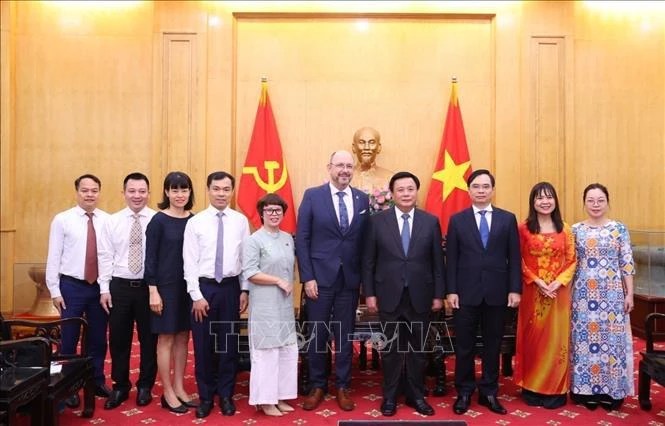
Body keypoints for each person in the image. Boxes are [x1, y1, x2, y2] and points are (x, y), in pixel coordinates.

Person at [362, 171, 445, 417]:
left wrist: (438, 294)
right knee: (391, 350)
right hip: (388, 295)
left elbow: (437, 263)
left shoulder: (430, 221)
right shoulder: (377, 221)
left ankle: (416, 395)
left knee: (419, 350)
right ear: (393, 194)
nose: (406, 194)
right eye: (401, 190)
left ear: (416, 192)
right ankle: (389, 397)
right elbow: (369, 261)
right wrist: (370, 294)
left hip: (421, 295)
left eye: (410, 189)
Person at [295, 150, 370, 412]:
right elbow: (302, 239)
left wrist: (364, 281)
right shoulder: (313, 196)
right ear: (329, 167)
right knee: (317, 335)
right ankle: (317, 385)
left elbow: (364, 244)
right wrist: (307, 277)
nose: (345, 170)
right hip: (320, 280)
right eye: (340, 165)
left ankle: (342, 386)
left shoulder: (363, 199)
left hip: (349, 281)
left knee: (344, 336)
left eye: (349, 166)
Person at [445, 169, 521, 416]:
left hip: (498, 293)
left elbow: (514, 258)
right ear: (469, 190)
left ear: (492, 190)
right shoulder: (457, 220)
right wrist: (451, 291)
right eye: (476, 186)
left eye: (485, 186)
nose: (481, 190)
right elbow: (452, 260)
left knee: (492, 345)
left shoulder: (507, 219)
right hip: (465, 294)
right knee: (464, 345)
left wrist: (514, 289)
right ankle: (465, 391)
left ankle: (489, 391)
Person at [183, 171, 250, 418]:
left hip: (231, 288)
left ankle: (226, 395)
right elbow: (189, 262)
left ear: (232, 191)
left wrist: (245, 290)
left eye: (226, 189)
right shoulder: (196, 222)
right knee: (203, 346)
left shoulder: (240, 221)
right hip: (204, 290)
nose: (221, 193)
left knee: (228, 345)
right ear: (208, 190)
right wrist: (196, 296)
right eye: (216, 189)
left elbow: (245, 259)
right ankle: (205, 397)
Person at [45, 174, 111, 405]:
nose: (90, 194)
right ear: (77, 192)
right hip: (71, 286)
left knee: (98, 339)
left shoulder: (107, 220)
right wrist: (54, 290)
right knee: (69, 339)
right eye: (85, 190)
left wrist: (106, 287)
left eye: (94, 190)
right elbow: (54, 256)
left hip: (99, 288)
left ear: (99, 192)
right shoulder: (62, 220)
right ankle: (69, 385)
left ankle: (96, 380)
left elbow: (108, 257)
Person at [570, 183, 635, 411]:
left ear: (608, 202)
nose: (595, 205)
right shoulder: (575, 230)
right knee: (584, 344)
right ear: (584, 202)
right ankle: (585, 390)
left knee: (612, 344)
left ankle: (613, 391)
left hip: (613, 295)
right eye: (591, 200)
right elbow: (570, 264)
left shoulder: (619, 229)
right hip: (582, 296)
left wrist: (630, 294)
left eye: (600, 200)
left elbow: (626, 262)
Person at [514, 182, 576, 409]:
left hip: (558, 294)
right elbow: (517, 259)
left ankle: (555, 389)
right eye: (539, 197)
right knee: (533, 340)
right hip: (532, 292)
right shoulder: (523, 228)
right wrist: (538, 281)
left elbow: (572, 260)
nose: (545, 201)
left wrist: (557, 283)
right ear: (533, 202)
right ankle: (531, 387)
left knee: (557, 340)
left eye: (549, 197)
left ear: (555, 200)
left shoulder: (565, 229)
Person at [98, 173, 157, 410]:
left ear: (148, 193)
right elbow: (105, 257)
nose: (137, 196)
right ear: (123, 193)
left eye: (142, 191)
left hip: (148, 288)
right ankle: (120, 386)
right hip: (119, 287)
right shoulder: (111, 222)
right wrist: (104, 288)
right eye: (132, 191)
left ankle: (145, 386)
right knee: (119, 339)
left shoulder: (156, 219)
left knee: (149, 339)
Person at [242, 193, 297, 417]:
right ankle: (265, 401)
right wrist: (277, 281)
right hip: (265, 303)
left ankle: (281, 396)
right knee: (266, 353)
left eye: (278, 210)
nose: (274, 214)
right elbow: (250, 272)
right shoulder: (254, 240)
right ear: (261, 213)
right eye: (269, 210)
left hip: (284, 305)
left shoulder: (287, 237)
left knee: (286, 350)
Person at [145, 171, 196, 414]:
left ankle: (179, 386)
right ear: (166, 192)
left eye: (184, 190)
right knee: (165, 338)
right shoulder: (158, 221)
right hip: (164, 288)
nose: (179, 195)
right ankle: (166, 391)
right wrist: (153, 291)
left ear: (190, 192)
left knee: (183, 337)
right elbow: (151, 259)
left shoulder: (195, 220)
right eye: (174, 190)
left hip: (188, 288)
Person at [352, 127, 394, 192]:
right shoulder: (344, 178)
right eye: (361, 142)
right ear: (354, 147)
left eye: (372, 143)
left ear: (379, 147)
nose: (366, 147)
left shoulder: (390, 178)